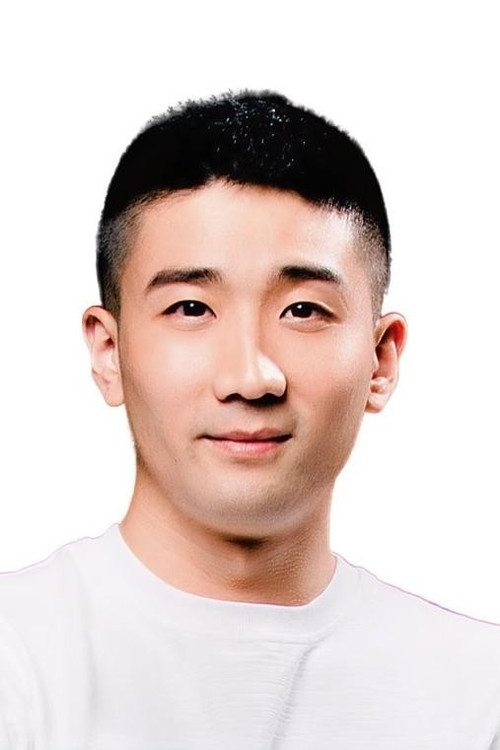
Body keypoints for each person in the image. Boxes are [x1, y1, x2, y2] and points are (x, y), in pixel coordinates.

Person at [0, 90, 499, 749]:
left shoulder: (478, 698)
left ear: (381, 359)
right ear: (109, 352)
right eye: (190, 309)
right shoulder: (18, 662)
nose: (250, 376)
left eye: (303, 310)